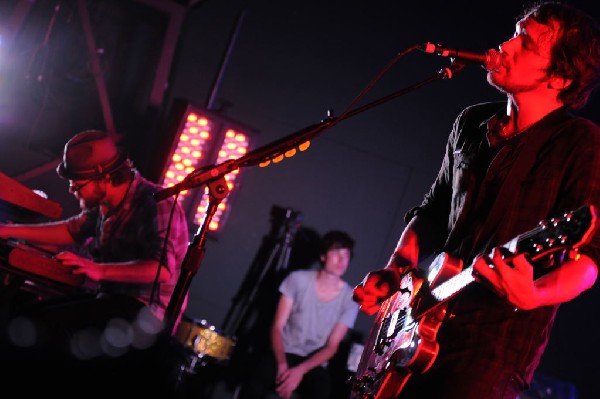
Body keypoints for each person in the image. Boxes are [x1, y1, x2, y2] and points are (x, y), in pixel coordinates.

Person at [352, 2, 600, 399]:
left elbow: (589, 259)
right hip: (416, 323)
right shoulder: (470, 122)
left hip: (492, 347)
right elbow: (433, 210)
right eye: (514, 33)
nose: (506, 45)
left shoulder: (578, 142)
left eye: (527, 43)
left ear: (560, 76)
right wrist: (396, 269)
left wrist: (535, 294)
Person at [0, 130, 190, 388]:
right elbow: (70, 230)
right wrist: (6, 230)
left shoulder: (156, 202)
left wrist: (97, 270)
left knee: (42, 328)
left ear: (105, 178)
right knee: (27, 310)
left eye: (77, 184)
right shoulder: (106, 205)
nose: (71, 190)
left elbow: (161, 269)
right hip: (111, 302)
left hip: (144, 315)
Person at [237, 230, 360, 399]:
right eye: (336, 253)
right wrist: (282, 366)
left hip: (313, 362)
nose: (341, 260)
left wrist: (299, 371)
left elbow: (332, 346)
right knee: (255, 382)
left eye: (346, 255)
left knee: (322, 390)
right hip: (283, 352)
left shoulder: (350, 298)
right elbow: (277, 327)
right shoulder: (298, 279)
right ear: (323, 256)